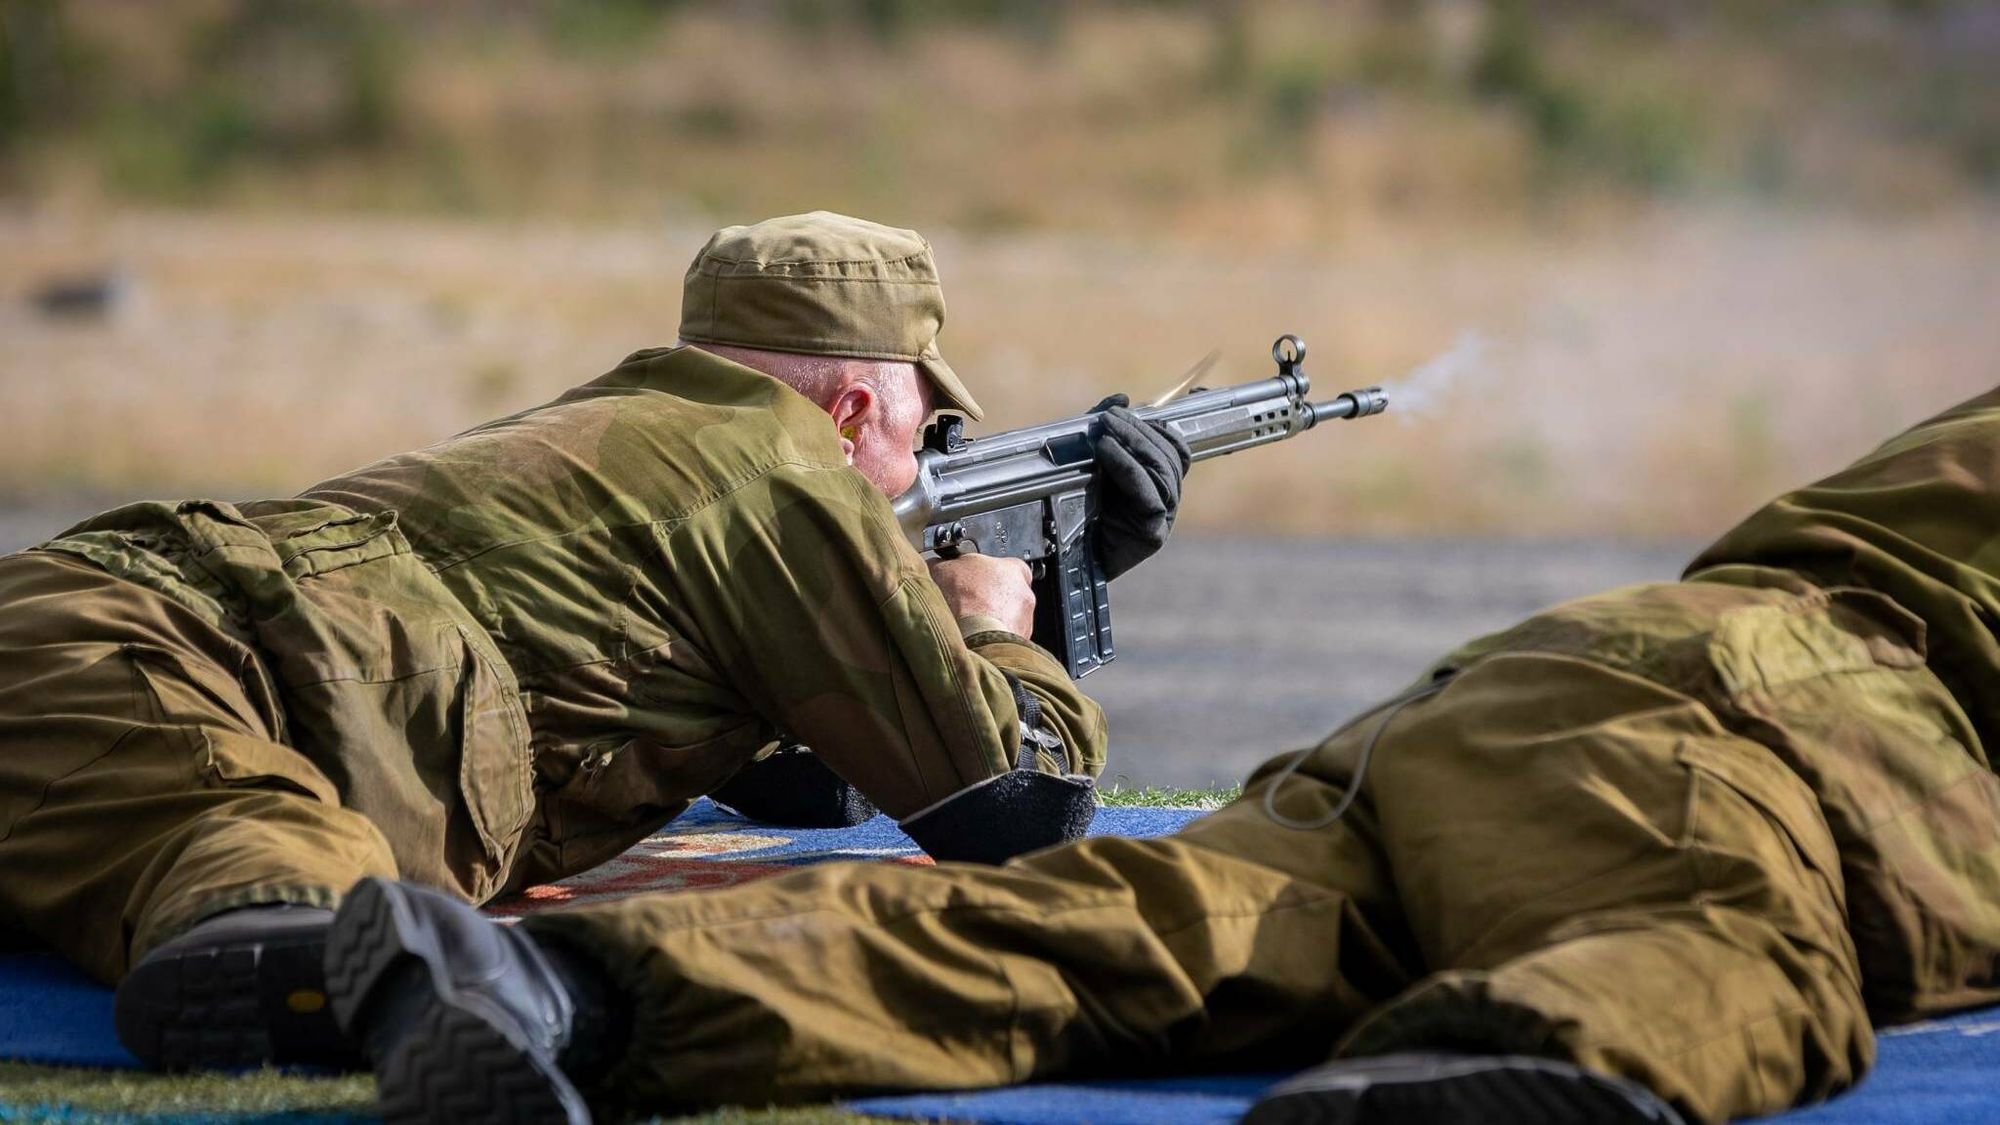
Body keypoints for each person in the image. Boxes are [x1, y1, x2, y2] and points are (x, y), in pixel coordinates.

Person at [320, 386, 2000, 1125]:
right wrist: (1004, 612)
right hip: (1794, 711)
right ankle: (1493, 1082)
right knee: (1721, 947)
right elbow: (968, 775)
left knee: (1099, 935)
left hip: (1511, 700)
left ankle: (565, 993)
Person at [0, 212, 1191, 1071]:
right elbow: (1011, 811)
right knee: (268, 854)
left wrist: (1052, 570)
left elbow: (814, 790)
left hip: (77, 618)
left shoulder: (612, 434)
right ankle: (313, 971)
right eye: (923, 433)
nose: (914, 476)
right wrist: (993, 623)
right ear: (850, 413)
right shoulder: (780, 473)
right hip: (159, 670)